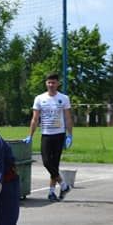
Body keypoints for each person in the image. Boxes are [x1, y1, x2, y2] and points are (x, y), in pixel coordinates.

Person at [23, 72, 73, 201]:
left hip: (59, 134)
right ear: (46, 83)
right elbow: (35, 119)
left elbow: (67, 118)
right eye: (49, 82)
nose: (51, 85)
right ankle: (63, 185)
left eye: (54, 83)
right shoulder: (39, 98)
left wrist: (69, 135)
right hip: (46, 134)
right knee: (46, 162)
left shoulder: (64, 98)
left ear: (58, 84)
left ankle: (51, 192)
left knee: (54, 164)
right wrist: (30, 135)